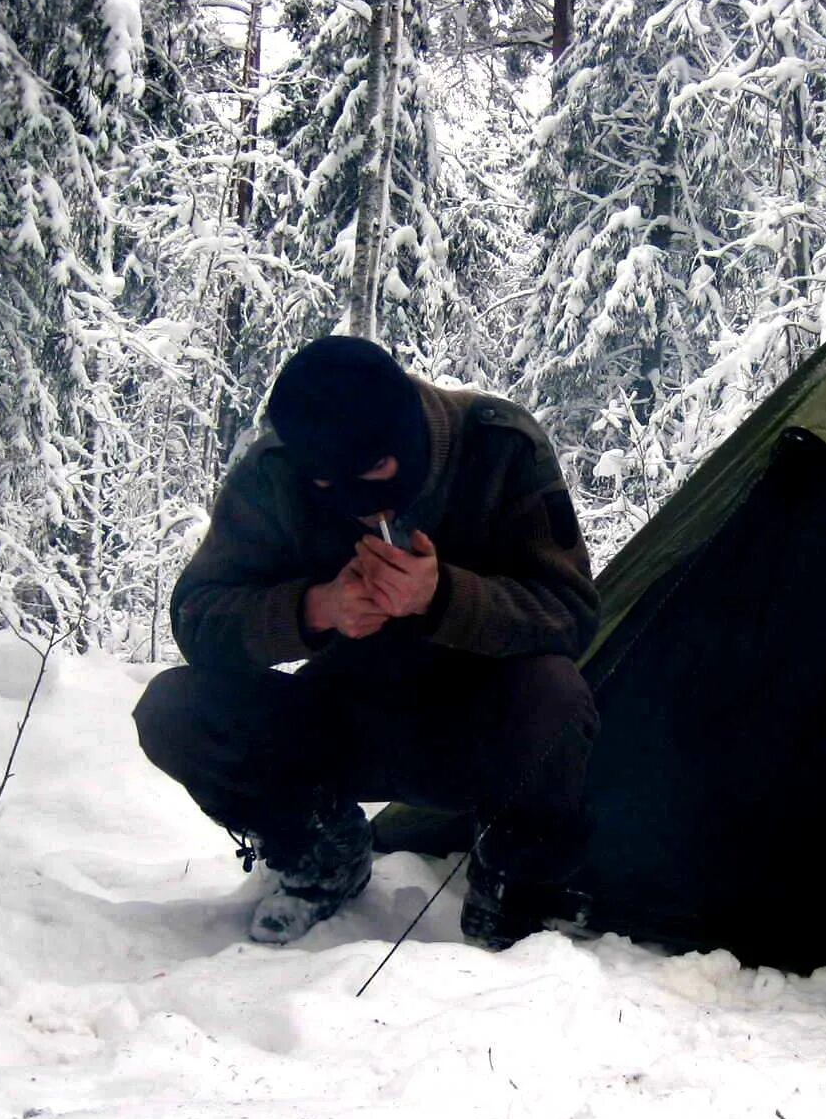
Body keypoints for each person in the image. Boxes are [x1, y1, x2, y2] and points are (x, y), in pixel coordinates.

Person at [132, 335, 600, 948]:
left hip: (482, 727)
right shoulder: (276, 474)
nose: (357, 503)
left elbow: (571, 613)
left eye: (376, 471)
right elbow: (198, 619)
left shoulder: (499, 446)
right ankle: (322, 848)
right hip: (343, 720)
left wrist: (446, 600)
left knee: (558, 697)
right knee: (174, 709)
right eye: (328, 485)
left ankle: (515, 885)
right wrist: (312, 609)